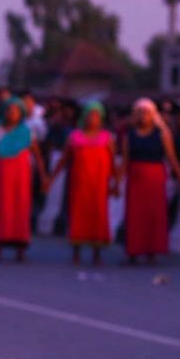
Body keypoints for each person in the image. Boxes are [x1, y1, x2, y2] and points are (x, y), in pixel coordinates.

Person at [120, 98, 180, 265]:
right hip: (136, 178)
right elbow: (124, 161)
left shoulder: (162, 134)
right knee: (135, 215)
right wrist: (116, 181)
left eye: (147, 113)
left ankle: (152, 251)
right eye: (140, 113)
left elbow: (171, 158)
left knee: (153, 215)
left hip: (155, 178)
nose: (143, 116)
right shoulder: (129, 136)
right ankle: (133, 251)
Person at [51, 101, 115, 265]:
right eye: (89, 114)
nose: (92, 118)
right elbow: (64, 160)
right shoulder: (74, 137)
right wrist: (50, 178)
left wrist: (116, 182)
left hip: (99, 185)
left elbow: (114, 163)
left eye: (96, 115)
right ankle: (76, 252)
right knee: (78, 215)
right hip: (79, 184)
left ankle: (97, 253)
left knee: (98, 215)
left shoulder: (107, 138)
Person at [0, 97, 46, 262]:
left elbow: (37, 156)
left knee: (20, 208)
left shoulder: (26, 132)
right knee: (1, 208)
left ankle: (20, 249)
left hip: (21, 177)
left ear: (21, 113)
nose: (12, 113)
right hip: (1, 176)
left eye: (16, 110)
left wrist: (44, 176)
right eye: (9, 109)